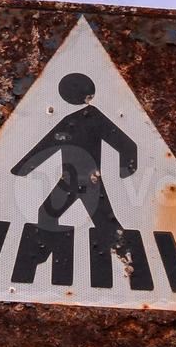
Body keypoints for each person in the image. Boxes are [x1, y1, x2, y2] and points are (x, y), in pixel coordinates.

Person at [11, 73, 138, 232]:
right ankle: (49, 256)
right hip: (69, 180)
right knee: (46, 217)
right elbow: (46, 147)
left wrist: (126, 169)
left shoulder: (93, 117)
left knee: (106, 224)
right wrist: (22, 168)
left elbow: (126, 144)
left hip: (89, 180)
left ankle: (125, 251)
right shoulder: (68, 120)